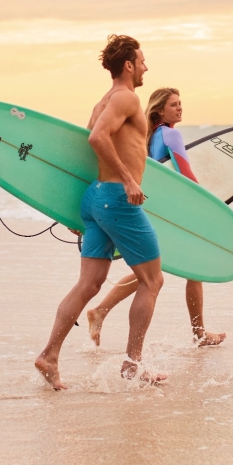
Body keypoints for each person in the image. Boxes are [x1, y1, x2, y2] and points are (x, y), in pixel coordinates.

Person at [35, 34, 165, 389]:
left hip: (97, 199)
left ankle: (49, 355)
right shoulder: (126, 98)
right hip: (117, 199)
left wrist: (84, 212)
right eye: (141, 61)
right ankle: (132, 365)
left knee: (90, 283)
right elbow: (96, 140)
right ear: (128, 65)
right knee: (152, 280)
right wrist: (128, 180)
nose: (145, 67)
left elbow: (84, 153)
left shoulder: (102, 102)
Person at [87, 88, 226, 347]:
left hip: (156, 206)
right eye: (174, 105)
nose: (179, 108)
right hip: (177, 209)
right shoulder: (172, 134)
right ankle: (199, 333)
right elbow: (184, 172)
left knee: (153, 269)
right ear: (160, 110)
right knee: (183, 270)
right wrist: (209, 204)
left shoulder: (151, 136)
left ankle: (101, 311)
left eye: (180, 103)